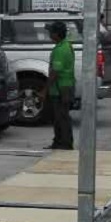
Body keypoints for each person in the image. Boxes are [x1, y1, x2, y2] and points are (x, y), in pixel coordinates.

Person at [43, 21, 75, 150]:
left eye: (51, 32)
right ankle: (58, 142)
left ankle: (65, 143)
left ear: (56, 34)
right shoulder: (65, 45)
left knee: (61, 117)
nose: (49, 34)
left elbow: (54, 73)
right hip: (63, 87)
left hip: (61, 88)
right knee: (58, 117)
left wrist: (44, 91)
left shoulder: (61, 49)